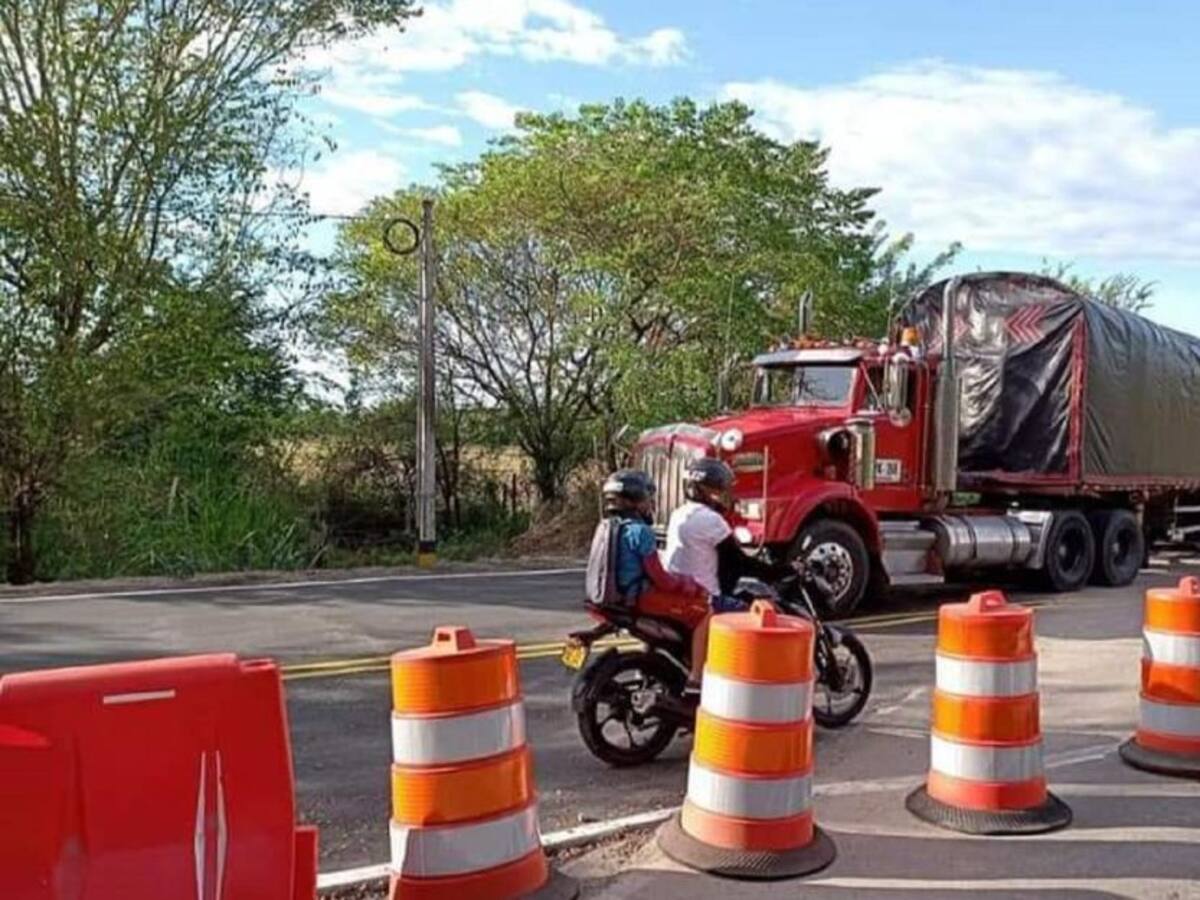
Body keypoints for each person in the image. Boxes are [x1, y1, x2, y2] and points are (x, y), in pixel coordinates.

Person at [664, 457, 792, 688]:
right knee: (759, 621)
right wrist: (781, 571)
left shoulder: (678, 514)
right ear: (702, 490)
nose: (724, 495)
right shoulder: (711, 520)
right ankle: (742, 683)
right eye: (718, 489)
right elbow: (741, 562)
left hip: (677, 594)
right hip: (704, 598)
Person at [598, 469, 707, 603]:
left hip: (616, 595)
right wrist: (687, 585)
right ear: (636, 500)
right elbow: (659, 578)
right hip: (637, 596)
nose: (651, 503)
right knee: (700, 608)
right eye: (648, 498)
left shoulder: (609, 526)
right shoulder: (641, 532)